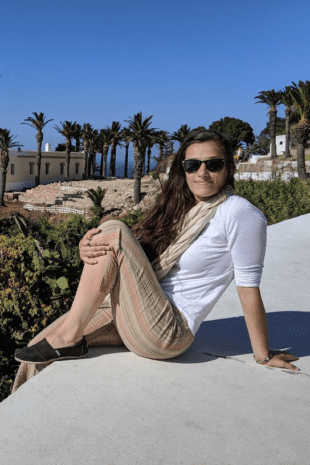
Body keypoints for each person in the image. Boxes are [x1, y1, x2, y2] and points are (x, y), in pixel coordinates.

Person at [13, 129, 299, 392]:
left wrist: (263, 355)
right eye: (192, 165)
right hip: (139, 310)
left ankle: (70, 336)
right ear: (183, 170)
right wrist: (87, 246)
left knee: (114, 230)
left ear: (229, 167)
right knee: (37, 348)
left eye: (213, 164)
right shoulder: (183, 207)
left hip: (169, 330)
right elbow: (132, 255)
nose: (202, 172)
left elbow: (248, 287)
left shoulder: (240, 213)